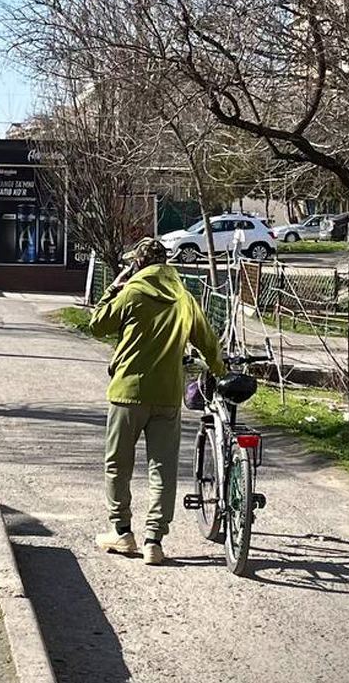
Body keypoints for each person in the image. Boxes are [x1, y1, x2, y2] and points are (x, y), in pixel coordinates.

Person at [89, 237, 226, 565]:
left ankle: (122, 532)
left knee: (118, 464)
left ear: (137, 264)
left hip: (128, 394)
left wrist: (114, 288)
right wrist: (219, 372)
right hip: (167, 396)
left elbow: (97, 325)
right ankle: (154, 541)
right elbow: (208, 341)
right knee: (162, 469)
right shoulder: (184, 297)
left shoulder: (132, 292)